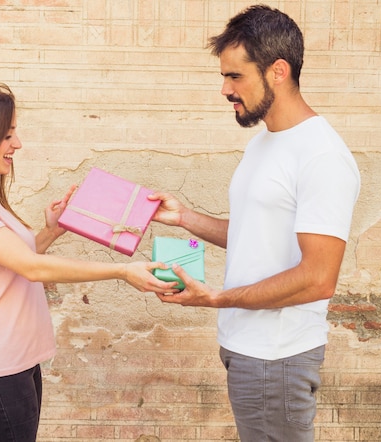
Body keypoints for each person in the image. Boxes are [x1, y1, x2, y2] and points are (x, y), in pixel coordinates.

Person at [148, 5, 360, 441]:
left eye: (236, 76)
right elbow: (255, 235)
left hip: (275, 357)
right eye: (223, 76)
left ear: (278, 71)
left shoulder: (322, 157)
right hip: (247, 349)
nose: (225, 89)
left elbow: (318, 279)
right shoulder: (265, 143)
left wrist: (218, 299)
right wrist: (185, 218)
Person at [0, 83, 176, 442]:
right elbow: (31, 268)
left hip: (14, 365)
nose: (18, 144)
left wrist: (50, 232)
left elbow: (7, 267)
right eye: (8, 135)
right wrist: (121, 271)